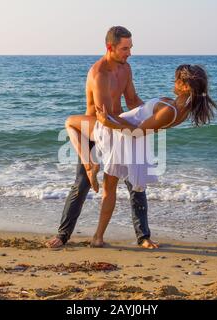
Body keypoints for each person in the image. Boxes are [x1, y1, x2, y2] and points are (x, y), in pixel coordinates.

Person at [64, 63, 217, 247]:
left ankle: (90, 164)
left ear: (186, 86)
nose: (174, 81)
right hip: (129, 140)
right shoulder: (182, 110)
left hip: (119, 134)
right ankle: (99, 237)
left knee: (70, 123)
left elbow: (137, 132)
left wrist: (109, 122)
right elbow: (142, 118)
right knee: (110, 189)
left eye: (177, 79)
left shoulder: (170, 110)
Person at [45, 26, 159, 249]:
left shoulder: (126, 69)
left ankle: (143, 237)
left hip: (118, 128)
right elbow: (104, 117)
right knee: (82, 184)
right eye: (125, 48)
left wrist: (154, 112)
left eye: (130, 47)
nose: (129, 53)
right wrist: (134, 130)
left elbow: (133, 100)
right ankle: (63, 235)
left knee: (136, 182)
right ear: (110, 47)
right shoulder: (99, 74)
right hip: (96, 133)